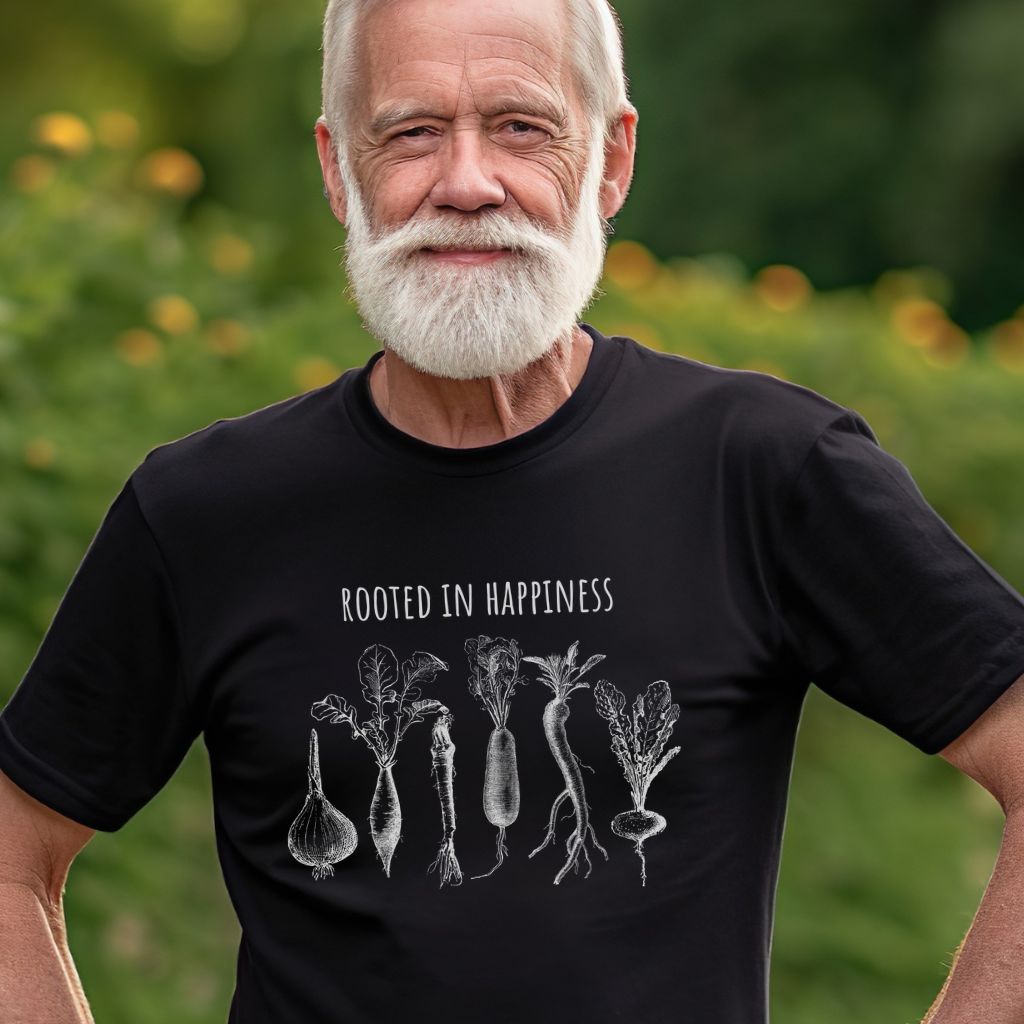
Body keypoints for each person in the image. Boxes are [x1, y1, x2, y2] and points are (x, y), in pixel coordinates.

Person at [2, 0, 1024, 1021]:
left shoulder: (759, 469)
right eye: (409, 133)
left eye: (520, 126)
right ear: (335, 169)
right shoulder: (207, 510)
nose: (465, 183)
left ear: (612, 157)